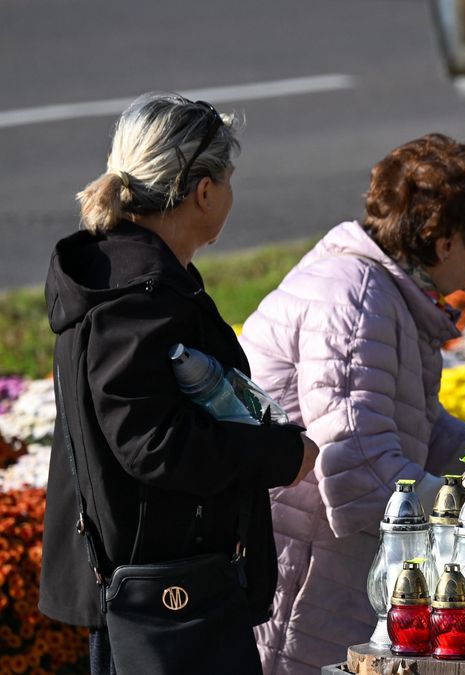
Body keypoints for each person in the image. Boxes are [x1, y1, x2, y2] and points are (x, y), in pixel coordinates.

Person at [239, 133, 465, 673]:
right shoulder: (357, 298)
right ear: (445, 240)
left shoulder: (384, 291)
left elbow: (406, 426)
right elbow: (356, 465)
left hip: (328, 564)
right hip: (302, 580)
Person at [40, 93, 319, 675]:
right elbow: (154, 442)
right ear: (204, 191)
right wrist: (276, 454)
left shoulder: (125, 276)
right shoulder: (136, 298)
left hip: (162, 592)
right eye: (228, 179)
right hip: (165, 601)